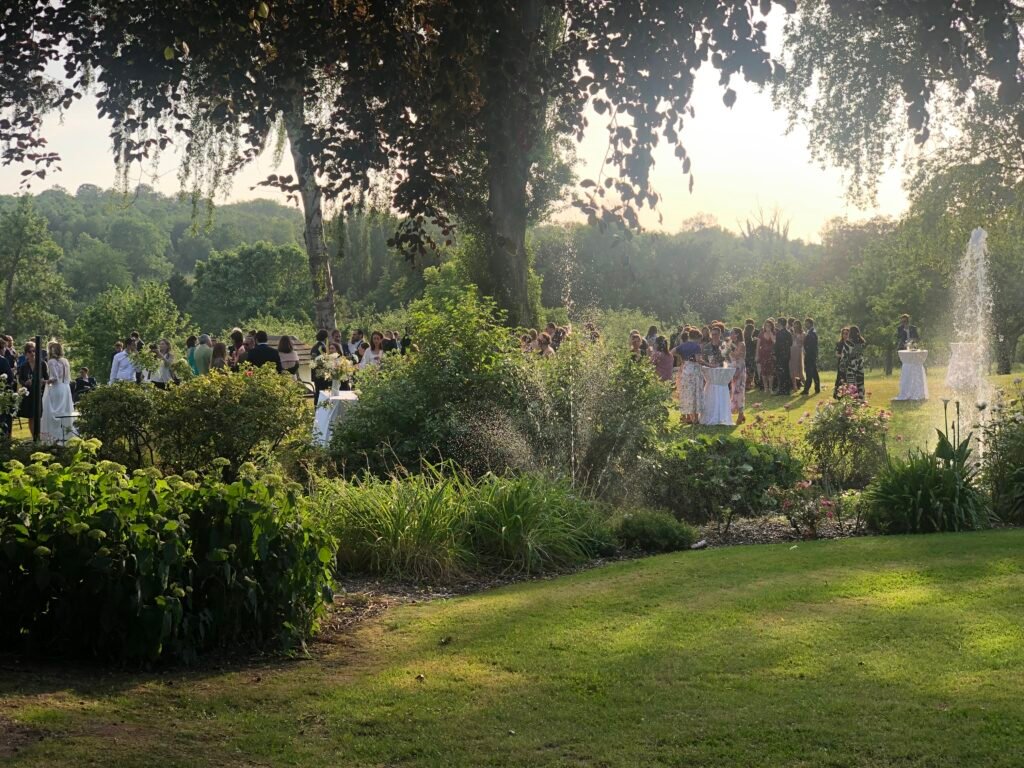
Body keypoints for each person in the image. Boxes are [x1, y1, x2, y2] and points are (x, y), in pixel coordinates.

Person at [40, 342, 74, 445]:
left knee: (53, 412)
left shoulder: (51, 362)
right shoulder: (65, 361)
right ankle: (66, 435)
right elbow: (67, 377)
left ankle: (54, 437)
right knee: (65, 411)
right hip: (65, 388)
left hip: (56, 388)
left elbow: (54, 378)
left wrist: (44, 381)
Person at [674, 329, 703, 424]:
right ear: (697, 337)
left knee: (687, 392)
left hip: (686, 369)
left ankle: (688, 417)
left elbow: (672, 352)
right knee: (695, 392)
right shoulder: (696, 346)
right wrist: (708, 364)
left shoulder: (682, 345)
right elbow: (698, 360)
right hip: (694, 370)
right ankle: (695, 418)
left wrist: (681, 357)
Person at [729, 328, 747, 424]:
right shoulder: (731, 344)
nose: (731, 335)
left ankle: (740, 414)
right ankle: (741, 413)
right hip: (733, 367)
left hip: (740, 368)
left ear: (737, 334)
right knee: (734, 390)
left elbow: (737, 355)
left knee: (739, 391)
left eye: (732, 333)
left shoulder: (741, 344)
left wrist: (728, 350)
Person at [845, 326, 868, 399]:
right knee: (860, 381)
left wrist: (843, 365)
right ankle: (861, 397)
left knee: (851, 381)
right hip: (860, 363)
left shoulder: (848, 342)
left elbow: (845, 354)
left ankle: (852, 398)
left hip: (851, 364)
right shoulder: (862, 342)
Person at [774, 318, 793, 395]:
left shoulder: (779, 333)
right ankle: (787, 389)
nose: (776, 324)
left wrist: (775, 354)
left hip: (780, 355)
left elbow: (777, 345)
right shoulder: (788, 333)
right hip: (786, 355)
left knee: (781, 372)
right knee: (786, 371)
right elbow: (791, 343)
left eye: (778, 322)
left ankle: (782, 389)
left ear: (780, 323)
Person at [801, 318, 820, 395]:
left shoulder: (812, 333)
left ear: (810, 324)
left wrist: (807, 352)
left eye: (807, 323)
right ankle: (817, 388)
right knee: (814, 372)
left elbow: (812, 345)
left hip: (810, 355)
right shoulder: (810, 332)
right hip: (811, 355)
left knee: (809, 373)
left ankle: (806, 389)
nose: (805, 325)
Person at [756, 319, 776, 394]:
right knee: (764, 372)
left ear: (771, 326)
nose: (767, 327)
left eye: (769, 325)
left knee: (771, 372)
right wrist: (757, 355)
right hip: (763, 354)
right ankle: (765, 388)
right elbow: (758, 346)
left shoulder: (774, 333)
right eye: (766, 325)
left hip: (771, 354)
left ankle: (771, 388)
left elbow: (774, 342)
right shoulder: (761, 334)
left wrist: (770, 333)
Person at [833, 327, 850, 398]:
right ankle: (839, 395)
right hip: (841, 364)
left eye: (846, 333)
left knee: (849, 379)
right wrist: (842, 356)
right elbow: (836, 354)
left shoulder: (851, 343)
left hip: (849, 364)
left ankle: (850, 395)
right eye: (844, 333)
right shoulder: (839, 343)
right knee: (841, 379)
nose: (845, 335)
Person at [789, 319, 805, 392]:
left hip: (798, 351)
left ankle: (805, 384)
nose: (795, 326)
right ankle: (794, 386)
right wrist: (793, 335)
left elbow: (802, 342)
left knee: (799, 369)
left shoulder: (803, 333)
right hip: (792, 351)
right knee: (792, 369)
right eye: (794, 324)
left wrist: (797, 337)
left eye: (797, 324)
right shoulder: (791, 333)